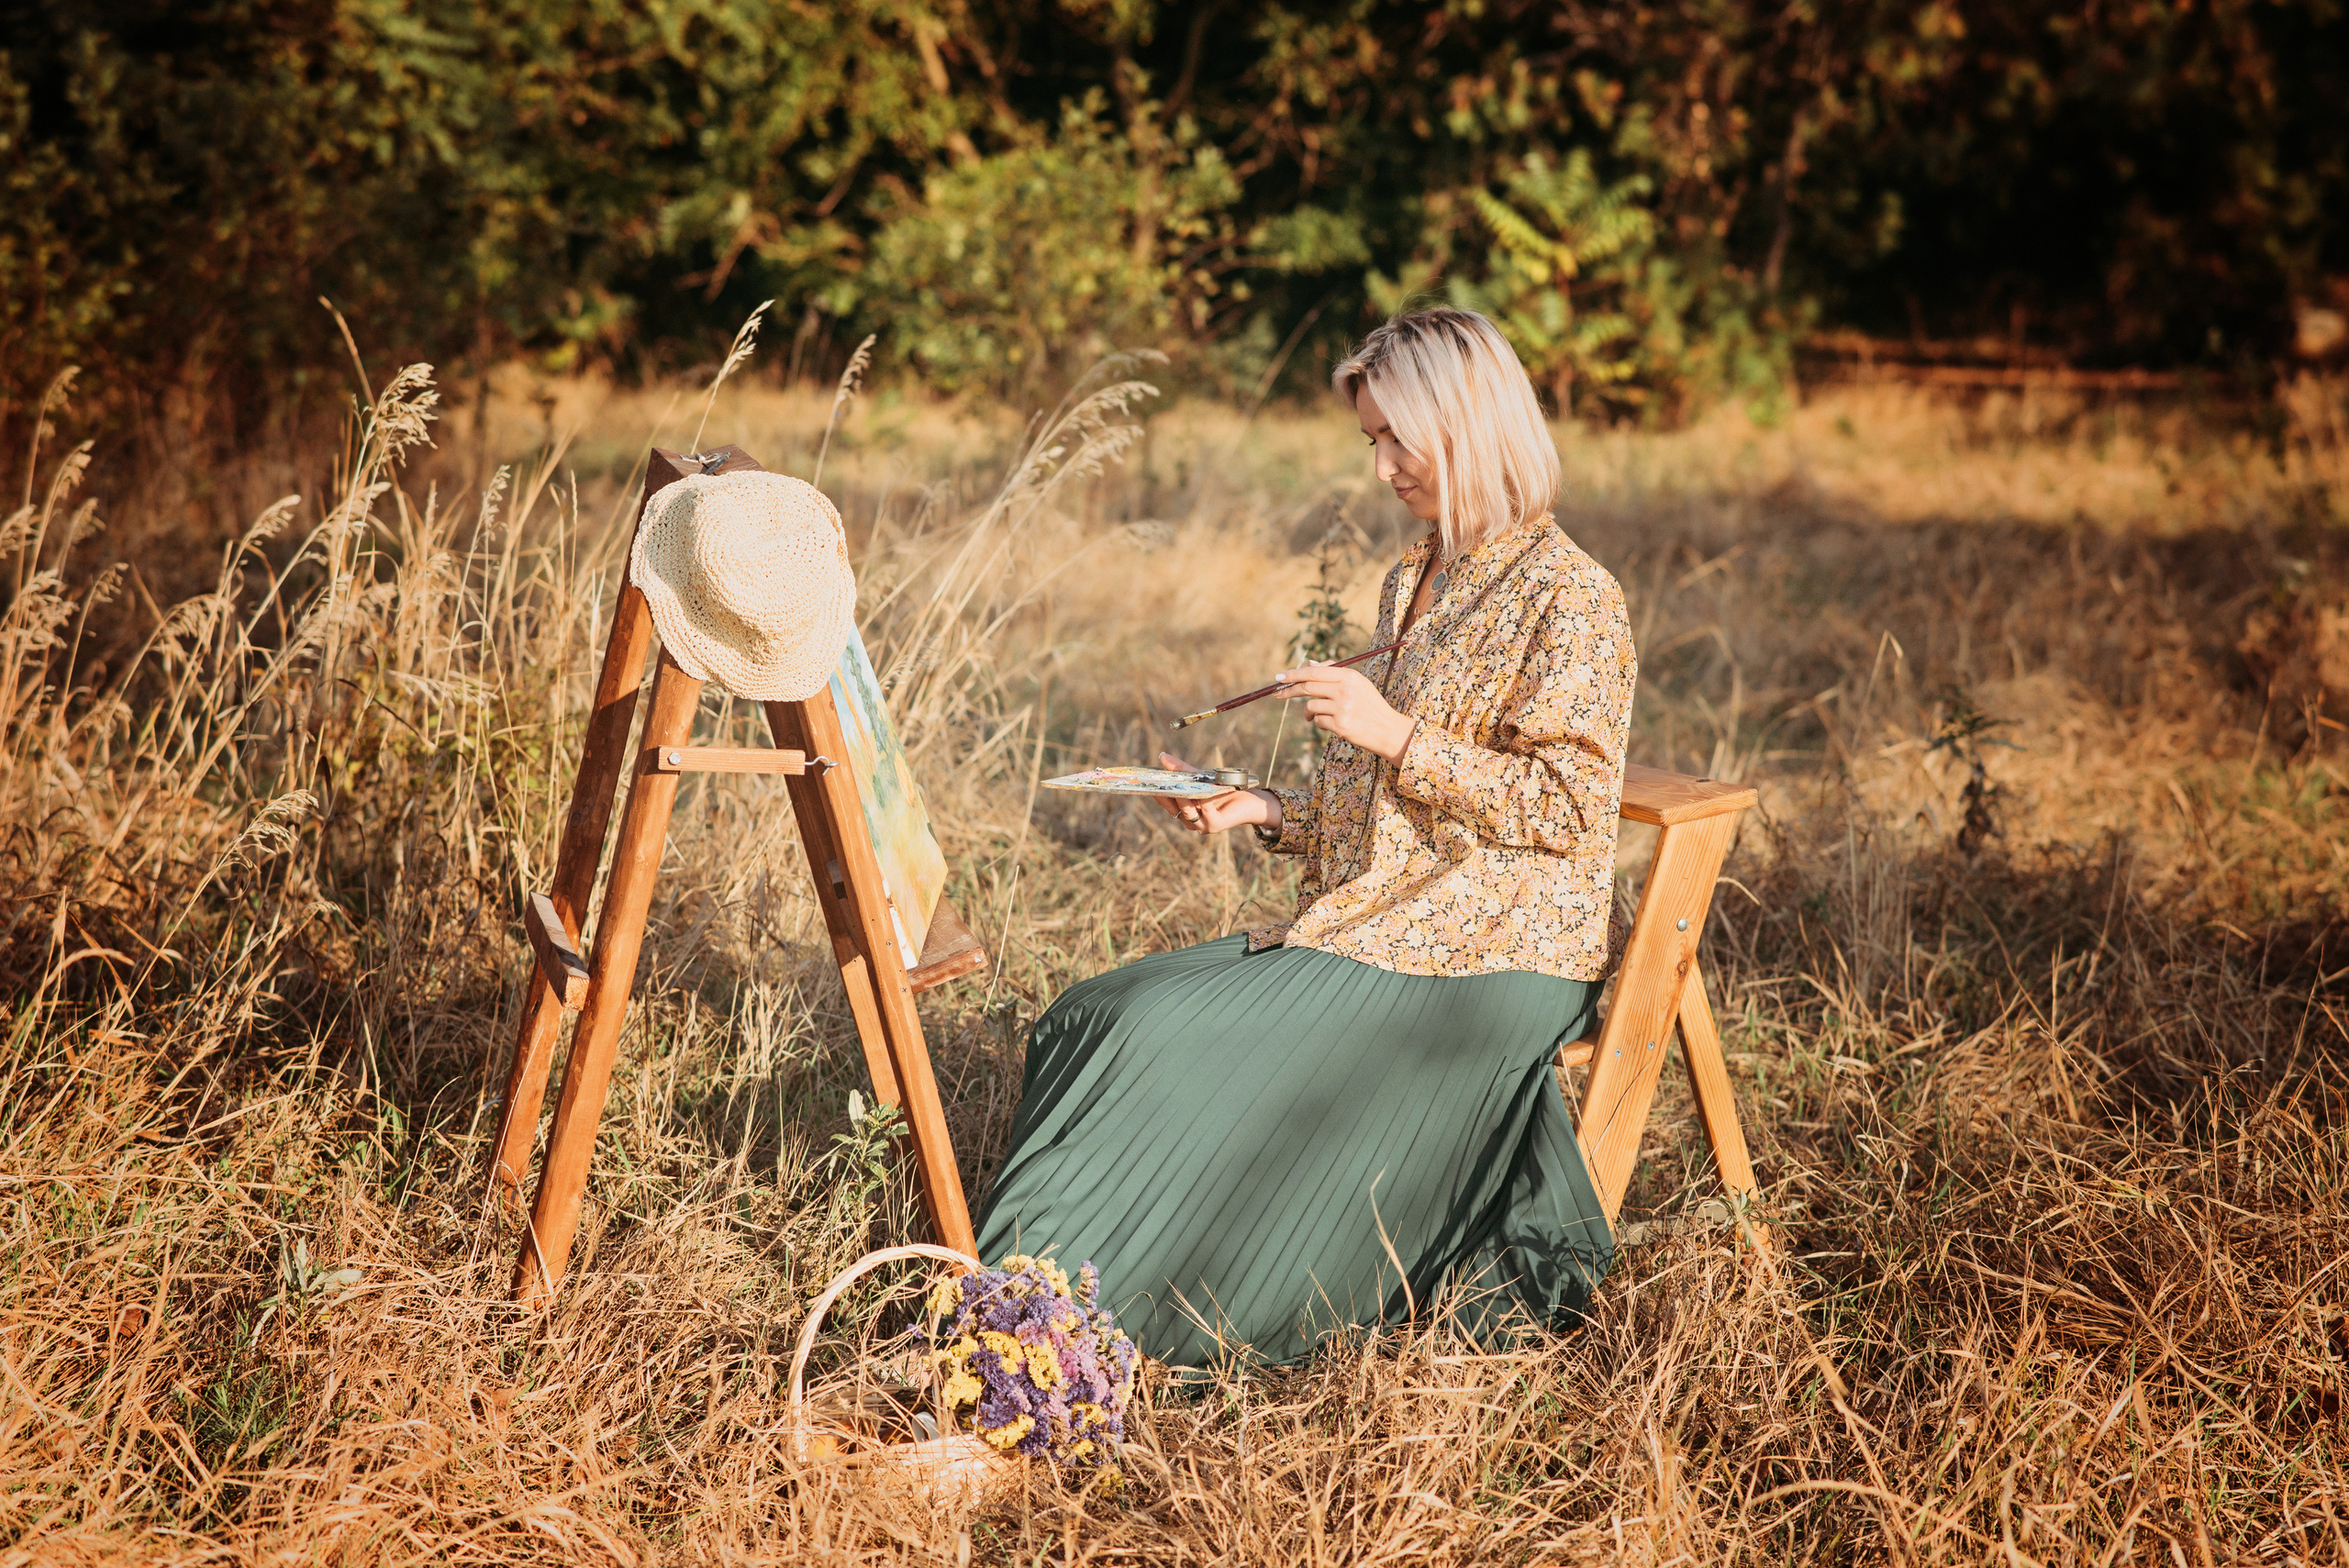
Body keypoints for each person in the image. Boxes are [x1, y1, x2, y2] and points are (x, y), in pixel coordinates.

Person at [974, 307, 1636, 1366]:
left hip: (1495, 951)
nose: (1379, 468)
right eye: (1369, 440)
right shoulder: (1413, 576)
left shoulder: (1573, 595)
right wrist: (1264, 809)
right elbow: (1380, 816)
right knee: (1091, 1013)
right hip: (1380, 921)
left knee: (1150, 1035)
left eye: (1395, 439)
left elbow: (1570, 807)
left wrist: (1395, 732)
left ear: (1468, 425)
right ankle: (1022, 1324)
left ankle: (1068, 1347)